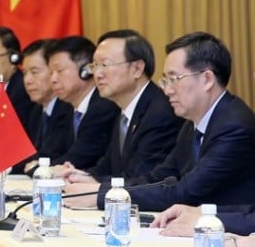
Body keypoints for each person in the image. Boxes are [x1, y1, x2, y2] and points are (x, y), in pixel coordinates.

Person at [65, 32, 255, 211]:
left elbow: (184, 192)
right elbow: (159, 177)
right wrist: (102, 188)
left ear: (207, 79)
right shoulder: (192, 123)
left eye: (174, 79)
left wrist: (102, 196)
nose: (167, 90)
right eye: (165, 81)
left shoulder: (234, 127)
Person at [61, 29, 181, 184]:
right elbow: (108, 166)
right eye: (95, 65)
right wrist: (79, 176)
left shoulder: (160, 113)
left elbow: (139, 179)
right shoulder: (124, 110)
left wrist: (94, 184)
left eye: (105, 64)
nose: (97, 74)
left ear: (137, 69)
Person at [46, 35, 118, 170]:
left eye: (60, 71)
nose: (53, 79)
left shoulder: (104, 105)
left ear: (86, 71)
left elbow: (80, 157)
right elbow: (54, 151)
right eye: (51, 73)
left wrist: (41, 170)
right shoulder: (66, 108)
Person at [14, 39, 74, 174]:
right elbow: (27, 153)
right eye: (24, 73)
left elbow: (53, 156)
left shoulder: (68, 108)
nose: (27, 80)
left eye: (35, 72)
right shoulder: (36, 110)